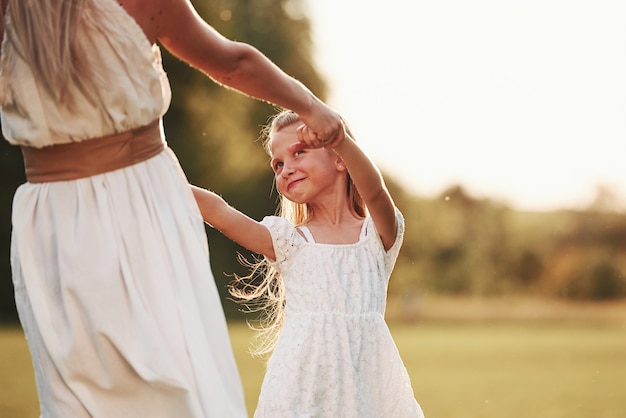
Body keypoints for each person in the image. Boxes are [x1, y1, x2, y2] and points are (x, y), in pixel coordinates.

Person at [0, 0, 343, 416]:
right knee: (172, 374)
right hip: (136, 199)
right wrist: (312, 107)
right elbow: (232, 63)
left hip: (47, 213)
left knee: (76, 384)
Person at [192, 110, 425, 417]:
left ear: (340, 160)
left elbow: (375, 191)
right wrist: (153, 172)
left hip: (368, 385)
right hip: (300, 390)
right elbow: (220, 213)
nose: (286, 169)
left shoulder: (377, 235)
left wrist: (339, 139)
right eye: (278, 164)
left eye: (298, 152)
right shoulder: (290, 242)